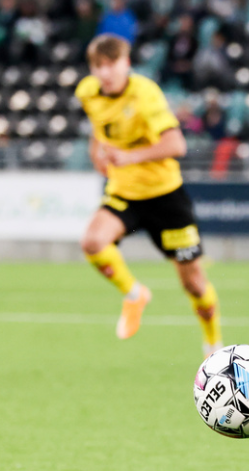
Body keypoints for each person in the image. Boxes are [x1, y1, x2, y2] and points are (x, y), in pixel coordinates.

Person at [76, 34, 222, 356]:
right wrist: (96, 151)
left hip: (165, 197)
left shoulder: (145, 94)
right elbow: (98, 126)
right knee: (92, 242)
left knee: (194, 284)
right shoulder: (87, 92)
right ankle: (134, 294)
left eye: (111, 64)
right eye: (98, 66)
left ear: (126, 63)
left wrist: (129, 157)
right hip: (125, 193)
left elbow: (176, 145)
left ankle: (213, 342)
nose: (105, 72)